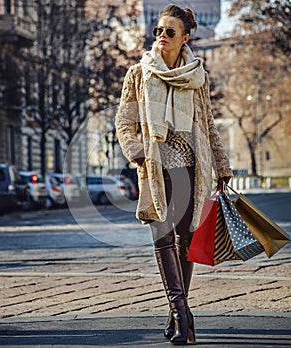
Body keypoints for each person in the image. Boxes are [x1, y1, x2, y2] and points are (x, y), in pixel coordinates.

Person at [115, 4, 232, 345]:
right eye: (158, 31)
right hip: (156, 168)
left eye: (169, 32)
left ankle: (175, 311)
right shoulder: (139, 74)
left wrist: (222, 166)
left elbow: (208, 126)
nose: (161, 37)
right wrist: (137, 152)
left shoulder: (197, 76)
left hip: (192, 169)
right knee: (162, 239)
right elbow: (125, 122)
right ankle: (183, 312)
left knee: (185, 242)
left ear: (185, 37)